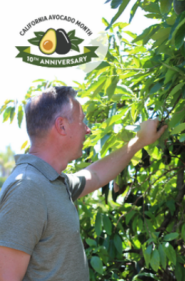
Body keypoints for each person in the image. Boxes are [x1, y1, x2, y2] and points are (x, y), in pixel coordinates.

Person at [0, 86, 167, 281]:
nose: (88, 129)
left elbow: (95, 175)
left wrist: (139, 141)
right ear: (62, 126)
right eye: (82, 121)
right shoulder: (27, 189)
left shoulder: (53, 182)